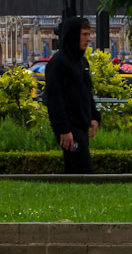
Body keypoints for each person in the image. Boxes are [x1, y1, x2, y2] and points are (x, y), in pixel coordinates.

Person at [43, 16, 100, 175]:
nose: (88, 39)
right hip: (70, 127)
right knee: (83, 170)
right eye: (84, 35)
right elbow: (54, 99)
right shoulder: (58, 63)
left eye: (89, 34)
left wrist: (94, 116)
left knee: (74, 171)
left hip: (81, 125)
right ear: (73, 35)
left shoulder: (82, 62)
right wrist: (63, 129)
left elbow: (86, 92)